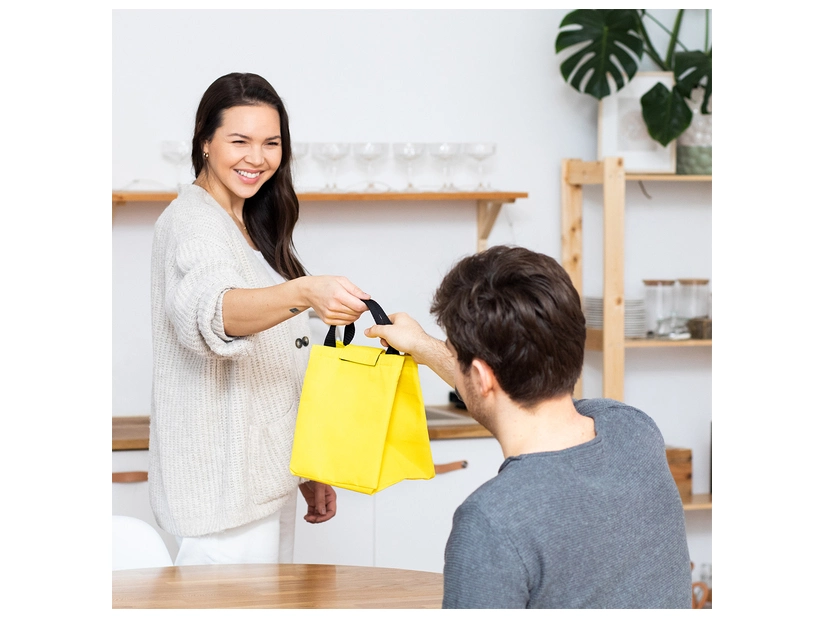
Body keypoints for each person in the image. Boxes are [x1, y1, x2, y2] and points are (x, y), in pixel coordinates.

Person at [364, 245, 692, 609]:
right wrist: (426, 347)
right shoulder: (632, 428)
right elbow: (509, 391)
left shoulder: (492, 521)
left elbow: (497, 391)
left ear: (479, 375)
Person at [149, 72, 371, 566]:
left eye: (271, 143)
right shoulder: (194, 222)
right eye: (239, 141)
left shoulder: (249, 224)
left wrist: (309, 464)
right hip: (221, 492)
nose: (257, 157)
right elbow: (213, 311)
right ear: (205, 142)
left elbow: (277, 366)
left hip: (261, 479)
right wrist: (304, 291)